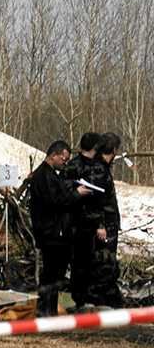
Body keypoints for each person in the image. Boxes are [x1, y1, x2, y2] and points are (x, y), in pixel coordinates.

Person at [29, 140, 92, 317]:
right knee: (51, 273)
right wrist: (76, 194)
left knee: (55, 274)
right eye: (63, 159)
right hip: (50, 232)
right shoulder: (44, 176)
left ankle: (50, 309)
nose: (65, 162)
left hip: (55, 231)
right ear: (54, 155)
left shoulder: (50, 175)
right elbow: (56, 201)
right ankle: (44, 310)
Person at [83, 133, 123, 308]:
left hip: (107, 224)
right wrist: (100, 225)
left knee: (105, 262)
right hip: (104, 225)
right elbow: (95, 201)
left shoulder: (100, 167)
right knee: (103, 263)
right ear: (113, 150)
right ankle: (100, 300)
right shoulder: (98, 169)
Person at [63, 132, 103, 308]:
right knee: (79, 262)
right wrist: (76, 192)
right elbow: (62, 192)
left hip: (93, 222)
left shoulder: (98, 166)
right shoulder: (72, 166)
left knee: (93, 262)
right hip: (76, 222)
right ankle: (79, 299)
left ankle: (91, 296)